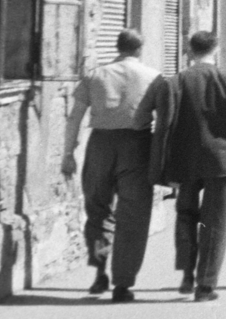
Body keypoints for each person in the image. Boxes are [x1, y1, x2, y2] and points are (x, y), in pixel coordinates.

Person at [146, 30, 226, 301]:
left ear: (189, 50)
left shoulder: (176, 82)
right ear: (217, 49)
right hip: (223, 161)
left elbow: (165, 125)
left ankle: (187, 275)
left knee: (185, 215)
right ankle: (206, 285)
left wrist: (161, 164)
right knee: (216, 222)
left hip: (185, 159)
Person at [62, 28, 159, 303]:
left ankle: (100, 271)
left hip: (100, 145)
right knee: (134, 216)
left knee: (98, 209)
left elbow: (74, 118)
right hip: (137, 146)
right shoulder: (153, 78)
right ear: (139, 49)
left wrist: (68, 153)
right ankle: (123, 284)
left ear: (117, 48)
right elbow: (164, 122)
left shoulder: (95, 75)